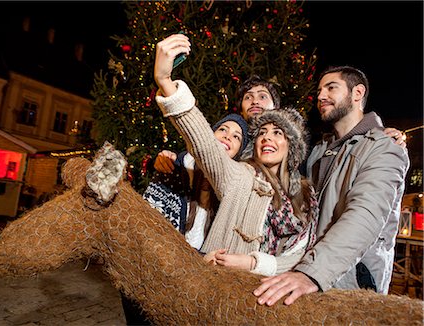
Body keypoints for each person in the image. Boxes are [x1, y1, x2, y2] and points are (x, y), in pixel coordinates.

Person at [153, 33, 319, 276]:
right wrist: (165, 81)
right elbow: (204, 145)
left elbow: (302, 252)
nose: (267, 137)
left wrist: (254, 264)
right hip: (216, 283)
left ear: (291, 145)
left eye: (277, 132)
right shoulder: (238, 173)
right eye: (262, 132)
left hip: (268, 293)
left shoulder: (304, 192)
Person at [253, 65, 410, 306]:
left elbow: (364, 215)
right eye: (318, 90)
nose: (320, 96)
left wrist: (311, 273)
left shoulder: (384, 147)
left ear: (357, 93)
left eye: (331, 88)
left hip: (349, 282)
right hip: (309, 275)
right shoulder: (319, 151)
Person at [143, 113, 249, 249]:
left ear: (238, 153)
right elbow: (147, 222)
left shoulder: (230, 193)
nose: (227, 136)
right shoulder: (174, 168)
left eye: (236, 137)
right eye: (223, 129)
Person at [153, 74, 281, 175]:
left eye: (262, 97)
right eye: (248, 97)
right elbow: (199, 151)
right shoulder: (231, 141)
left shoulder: (289, 141)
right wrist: (173, 162)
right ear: (241, 109)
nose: (255, 101)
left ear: (275, 106)